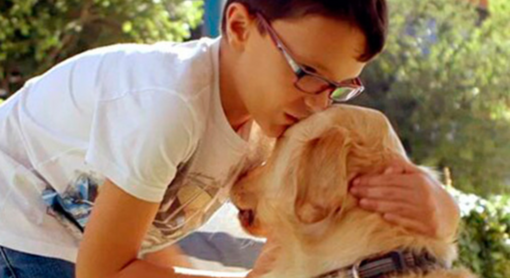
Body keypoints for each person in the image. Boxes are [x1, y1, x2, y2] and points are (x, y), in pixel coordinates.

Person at [0, 1, 460, 277]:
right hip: (18, 213)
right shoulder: (171, 106)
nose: (320, 103)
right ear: (239, 26)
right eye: (308, 74)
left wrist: (443, 212)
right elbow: (102, 271)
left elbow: (269, 221)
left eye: (339, 87)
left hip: (83, 224)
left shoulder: (274, 114)